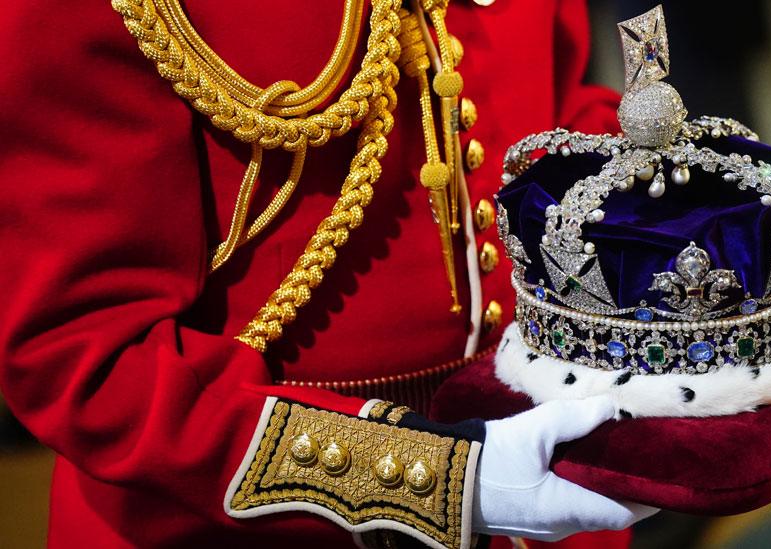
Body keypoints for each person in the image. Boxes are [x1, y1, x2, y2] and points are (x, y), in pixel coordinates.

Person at [0, 0, 654, 547]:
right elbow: (91, 357)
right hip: (245, 521)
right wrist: (426, 475)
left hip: (560, 479)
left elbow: (551, 104)